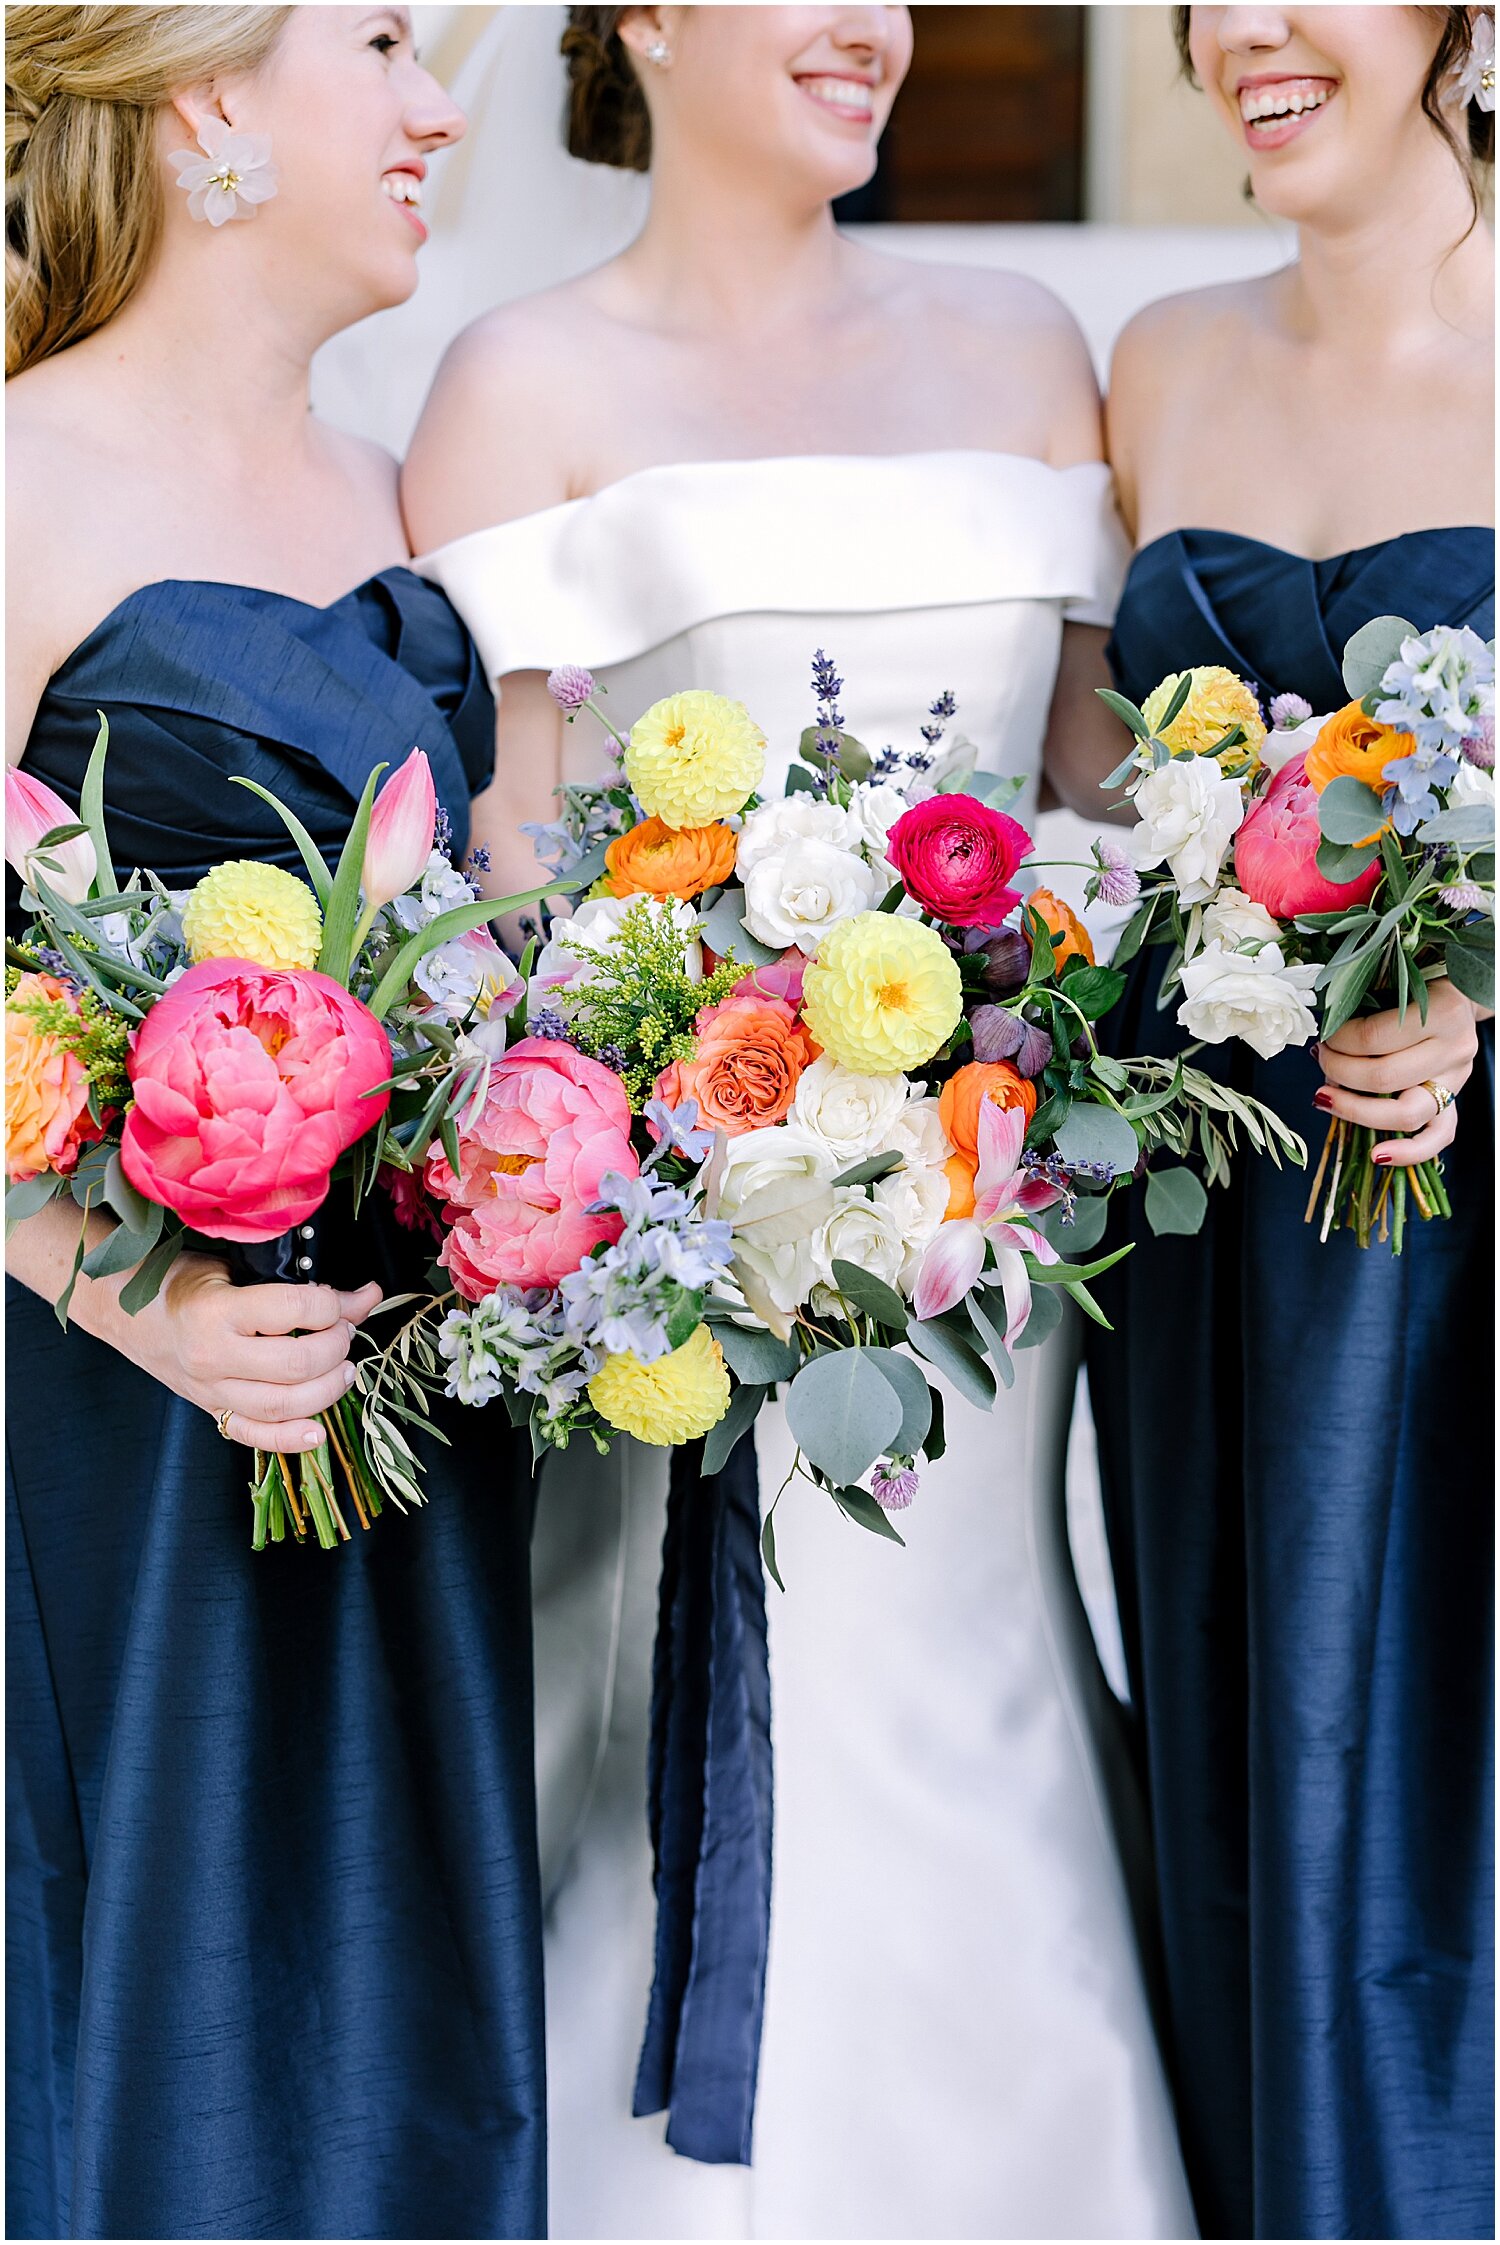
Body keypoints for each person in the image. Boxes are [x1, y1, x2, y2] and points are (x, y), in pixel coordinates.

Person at [402, 8, 1195, 2237]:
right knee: (681, 1734)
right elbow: (503, 920)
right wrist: (693, 1137)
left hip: (988, 1268)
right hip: (687, 1279)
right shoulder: (514, 389)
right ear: (647, 15)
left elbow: (1099, 813)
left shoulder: (1037, 345)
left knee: (983, 1712)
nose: (878, 27)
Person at [5, 11, 545, 2236]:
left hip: (416, 1433)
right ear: (211, 94)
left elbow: (507, 952)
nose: (441, 111)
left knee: (409, 2035)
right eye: (394, 42)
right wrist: (122, 1305)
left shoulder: (398, 492)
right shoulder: (22, 481)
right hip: (125, 1431)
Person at [1084, 7, 1495, 2237]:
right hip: (1220, 1253)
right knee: (1245, 1802)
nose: (1243, 28)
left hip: (1475, 1257)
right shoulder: (1153, 365)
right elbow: (1090, 812)